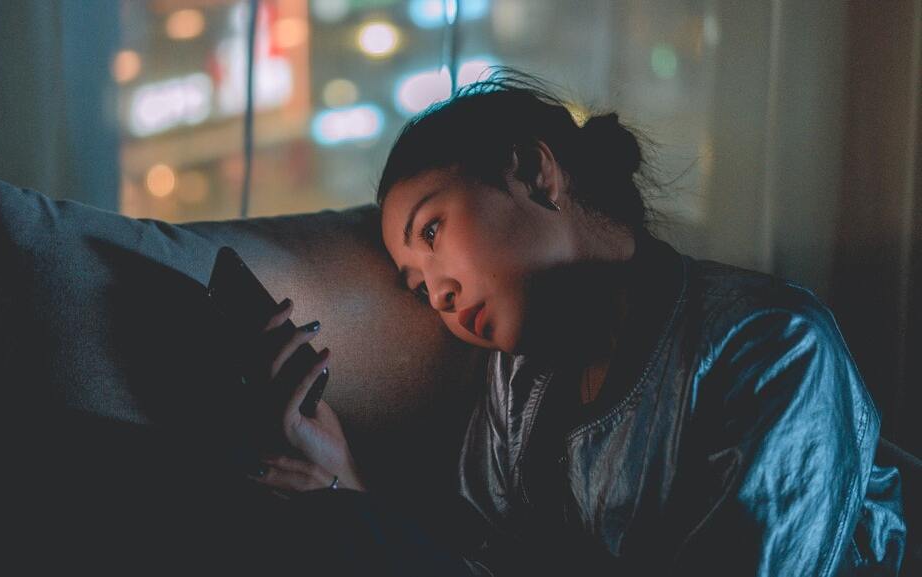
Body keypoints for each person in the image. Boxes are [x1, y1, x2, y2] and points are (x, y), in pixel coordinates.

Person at [249, 69, 907, 575]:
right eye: (418, 288)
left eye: (433, 228)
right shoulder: (516, 387)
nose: (441, 296)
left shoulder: (772, 345)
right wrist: (346, 485)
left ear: (536, 172)